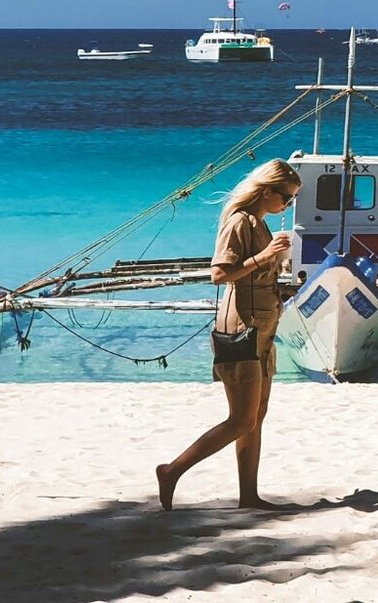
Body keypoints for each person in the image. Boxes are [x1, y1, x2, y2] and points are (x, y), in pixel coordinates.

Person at [157, 158, 300, 510]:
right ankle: (172, 470)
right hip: (241, 328)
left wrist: (282, 287)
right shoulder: (239, 222)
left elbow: (254, 277)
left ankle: (249, 496)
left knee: (256, 417)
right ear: (267, 191)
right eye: (286, 198)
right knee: (241, 419)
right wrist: (265, 255)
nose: (288, 205)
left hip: (263, 329)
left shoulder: (261, 224)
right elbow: (220, 275)